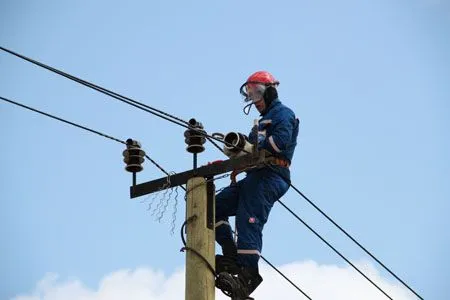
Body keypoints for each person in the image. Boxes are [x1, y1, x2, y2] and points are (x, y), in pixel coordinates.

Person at [215, 71, 299, 298]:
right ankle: (232, 256)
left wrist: (255, 149)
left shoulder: (283, 114)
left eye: (258, 93)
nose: (255, 100)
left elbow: (280, 141)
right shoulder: (260, 123)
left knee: (248, 218)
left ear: (270, 91)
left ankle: (248, 274)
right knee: (212, 207)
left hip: (272, 175)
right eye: (251, 95)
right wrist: (231, 156)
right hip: (255, 176)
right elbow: (251, 146)